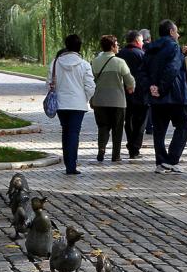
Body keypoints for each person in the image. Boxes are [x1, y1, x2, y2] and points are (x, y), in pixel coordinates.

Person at [139, 19, 187, 174]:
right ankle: (171, 160)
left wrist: (151, 87)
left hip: (156, 97)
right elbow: (172, 69)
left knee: (159, 130)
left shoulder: (149, 49)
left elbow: (142, 72)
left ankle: (161, 162)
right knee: (183, 126)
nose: (178, 34)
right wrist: (161, 88)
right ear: (170, 32)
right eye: (176, 31)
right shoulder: (174, 47)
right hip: (175, 95)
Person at [48, 34, 95, 175]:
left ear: (66, 45)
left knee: (65, 131)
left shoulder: (55, 63)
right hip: (78, 104)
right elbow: (90, 86)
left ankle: (68, 162)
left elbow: (49, 84)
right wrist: (84, 98)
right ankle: (71, 166)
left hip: (61, 104)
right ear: (79, 47)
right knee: (74, 133)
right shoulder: (84, 65)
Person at [90, 34, 135, 163]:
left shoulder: (95, 62)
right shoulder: (120, 62)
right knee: (117, 128)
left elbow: (91, 80)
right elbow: (129, 79)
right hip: (117, 101)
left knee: (103, 126)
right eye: (117, 44)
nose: (118, 46)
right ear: (112, 46)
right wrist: (131, 87)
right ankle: (116, 155)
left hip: (100, 100)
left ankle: (101, 149)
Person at [118, 30, 147, 159]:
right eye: (141, 41)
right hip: (141, 93)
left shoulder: (119, 55)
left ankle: (131, 144)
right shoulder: (142, 54)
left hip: (123, 93)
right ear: (136, 41)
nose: (142, 43)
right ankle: (135, 148)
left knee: (128, 120)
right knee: (140, 122)